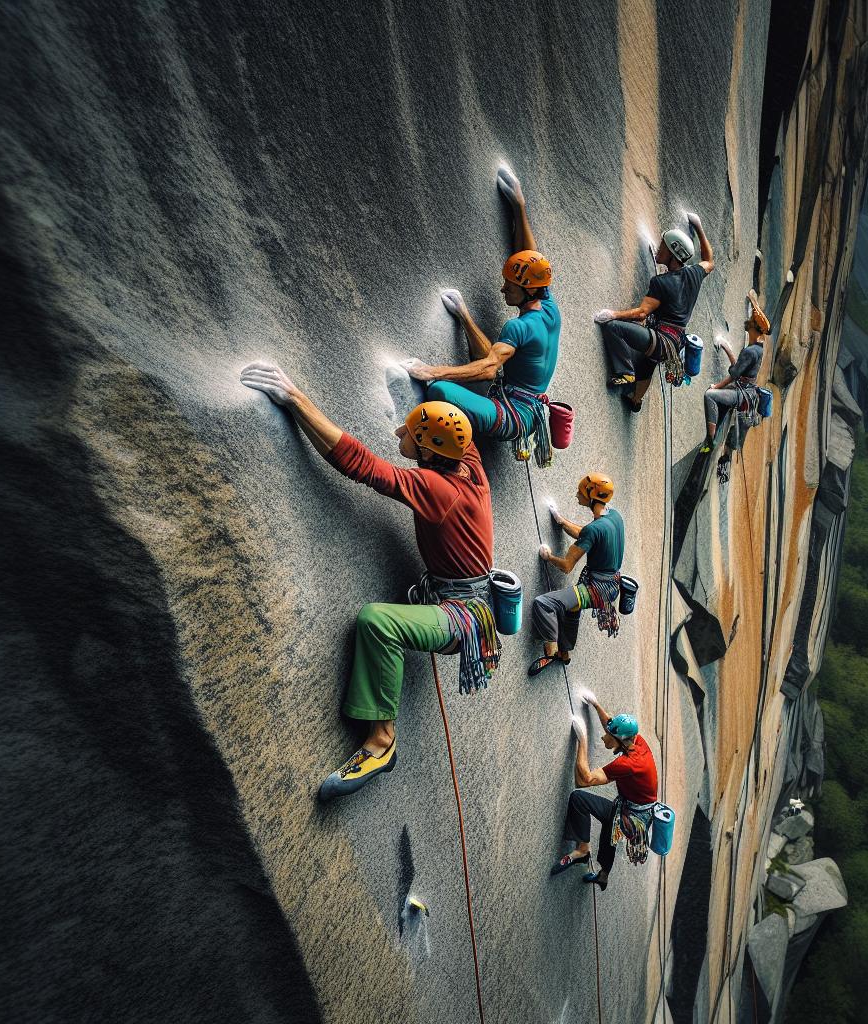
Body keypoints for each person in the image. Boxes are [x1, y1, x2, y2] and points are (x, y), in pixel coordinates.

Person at [240, 363, 496, 800]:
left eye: (409, 434)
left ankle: (381, 742)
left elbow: (360, 465)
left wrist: (296, 398)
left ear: (431, 452)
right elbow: (455, 421)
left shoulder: (438, 489)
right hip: (464, 597)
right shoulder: (465, 458)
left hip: (462, 618)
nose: (399, 432)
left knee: (378, 622)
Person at [405, 167, 560, 449]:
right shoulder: (547, 304)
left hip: (513, 418)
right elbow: (530, 259)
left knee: (439, 390)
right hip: (525, 402)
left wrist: (432, 371)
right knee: (486, 360)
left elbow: (489, 368)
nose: (503, 289)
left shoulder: (519, 327)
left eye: (509, 287)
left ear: (527, 290)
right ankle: (463, 314)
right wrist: (518, 206)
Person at [595, 212, 715, 412]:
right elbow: (709, 260)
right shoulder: (695, 274)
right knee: (648, 363)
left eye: (663, 246)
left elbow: (642, 313)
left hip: (661, 340)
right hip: (674, 343)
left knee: (614, 329)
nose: (659, 249)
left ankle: (624, 372)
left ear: (673, 252)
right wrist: (699, 228)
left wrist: (613, 314)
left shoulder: (661, 282)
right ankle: (636, 400)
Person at [550, 691, 659, 891]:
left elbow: (584, 780)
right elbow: (611, 725)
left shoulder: (629, 764)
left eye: (608, 736)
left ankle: (584, 851)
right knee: (609, 829)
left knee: (580, 799)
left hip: (632, 816)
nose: (603, 737)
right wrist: (596, 704)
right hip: (635, 809)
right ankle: (600, 871)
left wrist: (581, 741)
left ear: (620, 741)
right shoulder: (636, 741)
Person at [527, 472, 625, 676]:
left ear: (592, 496)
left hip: (595, 589)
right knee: (572, 609)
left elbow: (566, 566)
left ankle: (550, 652)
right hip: (610, 586)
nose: (576, 494)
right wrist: (561, 522)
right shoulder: (615, 516)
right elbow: (589, 533)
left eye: (581, 491)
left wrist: (548, 557)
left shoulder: (594, 529)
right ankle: (565, 652)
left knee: (544, 604)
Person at [701, 290, 769, 478]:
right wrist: (752, 301)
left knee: (710, 396)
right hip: (749, 395)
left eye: (750, 323)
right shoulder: (758, 346)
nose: (747, 323)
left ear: (754, 328)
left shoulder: (751, 352)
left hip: (741, 395)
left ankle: (710, 439)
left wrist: (716, 387)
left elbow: (734, 375)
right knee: (732, 443)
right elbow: (739, 366)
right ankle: (724, 465)